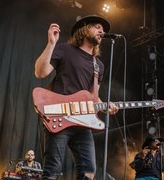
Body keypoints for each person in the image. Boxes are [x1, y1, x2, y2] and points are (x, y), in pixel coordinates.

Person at [34, 15, 119, 180]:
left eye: (103, 29)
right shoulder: (65, 49)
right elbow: (40, 72)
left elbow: (94, 97)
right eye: (97, 27)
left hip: (83, 122)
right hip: (59, 117)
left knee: (89, 171)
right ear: (84, 28)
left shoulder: (98, 65)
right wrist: (51, 44)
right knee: (53, 170)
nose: (101, 31)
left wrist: (106, 105)